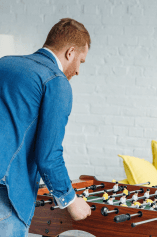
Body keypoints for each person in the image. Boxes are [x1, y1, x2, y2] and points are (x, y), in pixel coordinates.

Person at [0, 18, 92, 236]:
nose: (78, 70)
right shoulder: (56, 81)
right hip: (7, 191)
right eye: (81, 61)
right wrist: (70, 200)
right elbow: (48, 155)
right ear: (70, 52)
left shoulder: (4, 63)